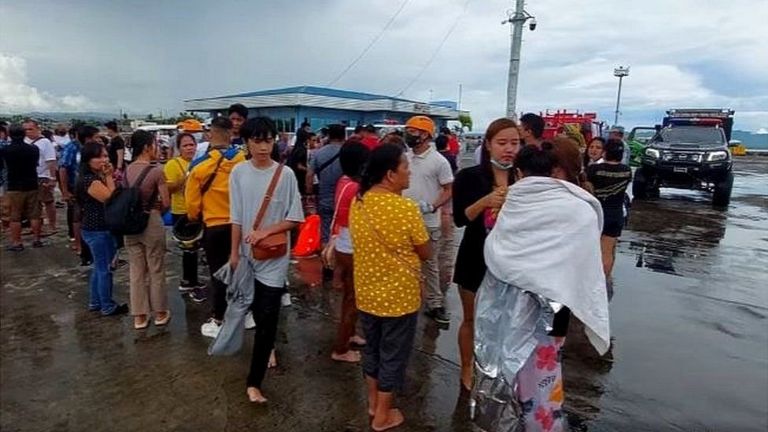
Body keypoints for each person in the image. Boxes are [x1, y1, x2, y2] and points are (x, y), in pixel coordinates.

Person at [474, 138, 609, 432]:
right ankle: (542, 425)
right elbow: (584, 260)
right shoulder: (579, 208)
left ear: (519, 172)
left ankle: (510, 423)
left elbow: (495, 251)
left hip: (507, 306)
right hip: (555, 306)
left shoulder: (510, 202)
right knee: (545, 374)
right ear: (554, 172)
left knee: (508, 373)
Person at [349, 143, 430, 431]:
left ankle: (373, 403)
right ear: (390, 174)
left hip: (367, 293)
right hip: (399, 298)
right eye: (405, 167)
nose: (409, 172)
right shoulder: (406, 208)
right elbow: (424, 252)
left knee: (373, 350)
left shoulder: (358, 202)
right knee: (394, 355)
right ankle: (383, 416)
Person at [228, 116, 304, 403]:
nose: (263, 146)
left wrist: (264, 232)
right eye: (257, 140)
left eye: (268, 140)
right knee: (255, 311)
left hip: (273, 256)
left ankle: (254, 382)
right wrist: (234, 253)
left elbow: (295, 217)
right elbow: (235, 217)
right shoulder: (238, 172)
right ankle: (266, 344)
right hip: (246, 257)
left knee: (268, 314)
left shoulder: (284, 175)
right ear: (246, 142)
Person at [452, 118, 519, 391]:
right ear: (488, 145)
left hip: (512, 259)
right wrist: (485, 202)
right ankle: (467, 367)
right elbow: (459, 219)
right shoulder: (469, 176)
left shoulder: (524, 177)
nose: (509, 149)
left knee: (509, 320)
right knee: (471, 318)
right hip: (474, 255)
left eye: (514, 143)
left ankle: (502, 367)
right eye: (502, 143)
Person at [186, 116, 245, 336]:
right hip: (241, 225)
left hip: (214, 227)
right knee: (242, 271)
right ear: (231, 134)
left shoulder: (199, 166)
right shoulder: (243, 161)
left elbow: (192, 206)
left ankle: (219, 319)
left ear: (211, 134)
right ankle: (245, 314)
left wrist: (195, 218)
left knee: (218, 274)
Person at [402, 115, 454, 324]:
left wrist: (432, 206)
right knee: (404, 262)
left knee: (429, 264)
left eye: (412, 131)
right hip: (404, 220)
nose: (408, 134)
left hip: (428, 222)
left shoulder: (439, 161)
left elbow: (449, 189)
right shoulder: (405, 157)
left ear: (424, 135)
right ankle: (407, 300)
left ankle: (435, 304)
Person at [76, 141, 129, 316]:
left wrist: (107, 176)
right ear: (88, 160)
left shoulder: (93, 177)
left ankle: (96, 301)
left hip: (97, 228)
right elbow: (110, 199)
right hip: (98, 229)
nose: (104, 159)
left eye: (105, 155)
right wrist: (108, 177)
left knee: (99, 268)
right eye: (99, 156)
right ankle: (107, 305)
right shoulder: (89, 180)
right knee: (104, 269)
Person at [124, 130, 170, 330]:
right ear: (146, 147)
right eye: (154, 145)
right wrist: (158, 208)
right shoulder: (157, 171)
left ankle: (140, 317)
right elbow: (166, 202)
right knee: (156, 268)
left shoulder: (126, 170)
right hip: (150, 219)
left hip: (129, 223)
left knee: (136, 270)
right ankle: (160, 313)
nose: (157, 149)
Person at [330, 141, 371, 363]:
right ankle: (340, 348)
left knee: (349, 296)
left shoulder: (344, 181)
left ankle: (350, 334)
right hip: (352, 247)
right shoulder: (357, 189)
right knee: (352, 301)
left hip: (344, 245)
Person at [587, 138, 632, 281]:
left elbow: (587, 189)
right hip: (616, 214)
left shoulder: (594, 169)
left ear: (605, 152)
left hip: (596, 214)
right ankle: (604, 280)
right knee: (607, 251)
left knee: (590, 250)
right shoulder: (627, 171)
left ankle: (589, 280)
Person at [165, 133, 202, 292]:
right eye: (185, 145)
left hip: (198, 210)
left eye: (192, 145)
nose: (189, 148)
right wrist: (187, 177)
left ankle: (194, 280)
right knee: (188, 249)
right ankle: (188, 282)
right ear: (179, 148)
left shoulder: (200, 162)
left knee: (196, 248)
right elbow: (169, 188)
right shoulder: (173, 164)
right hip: (181, 211)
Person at [0, 124, 43, 251]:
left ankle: (17, 242)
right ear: (24, 134)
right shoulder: (33, 149)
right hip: (32, 183)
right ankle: (37, 239)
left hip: (14, 186)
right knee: (35, 214)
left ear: (9, 135)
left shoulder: (5, 150)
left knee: (15, 216)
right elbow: (36, 164)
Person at [60, 126, 96, 265]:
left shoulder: (91, 149)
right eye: (95, 137)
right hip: (76, 187)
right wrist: (64, 191)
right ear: (88, 138)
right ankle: (79, 245)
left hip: (90, 187)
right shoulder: (72, 148)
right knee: (77, 216)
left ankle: (86, 247)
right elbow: (62, 168)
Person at [306, 124, 344, 247]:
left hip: (324, 197)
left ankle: (325, 259)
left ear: (328, 136)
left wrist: (309, 192)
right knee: (344, 232)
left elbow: (309, 175)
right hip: (344, 199)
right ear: (344, 136)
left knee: (325, 230)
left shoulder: (318, 153)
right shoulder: (348, 153)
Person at [23, 119, 58, 235]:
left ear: (37, 129)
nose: (28, 132)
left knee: (47, 201)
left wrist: (52, 177)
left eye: (30, 129)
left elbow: (51, 161)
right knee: (33, 204)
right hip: (29, 176)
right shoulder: (24, 141)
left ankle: (52, 226)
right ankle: (37, 225)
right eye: (25, 129)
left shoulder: (45, 142)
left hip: (43, 176)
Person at [286, 130, 310, 197]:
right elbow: (299, 166)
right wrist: (309, 170)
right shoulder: (302, 149)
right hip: (300, 176)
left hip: (293, 174)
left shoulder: (295, 148)